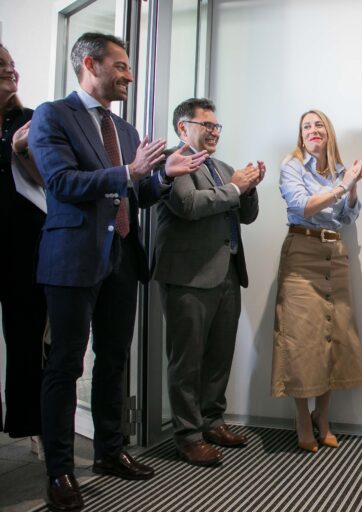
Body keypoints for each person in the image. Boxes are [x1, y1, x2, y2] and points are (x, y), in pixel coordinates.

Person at [28, 32, 201, 511]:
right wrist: (130, 172)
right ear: (90, 64)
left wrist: (163, 175)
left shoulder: (123, 130)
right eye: (121, 66)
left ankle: (109, 451)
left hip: (122, 256)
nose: (129, 75)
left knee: (115, 360)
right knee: (66, 365)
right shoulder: (52, 115)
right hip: (72, 259)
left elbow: (136, 194)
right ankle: (60, 470)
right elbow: (61, 183)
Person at [153, 98, 264, 466]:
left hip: (227, 272)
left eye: (217, 126)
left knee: (219, 355)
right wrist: (235, 188)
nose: (215, 132)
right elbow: (188, 206)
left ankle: (212, 421)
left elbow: (246, 216)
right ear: (183, 128)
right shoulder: (172, 161)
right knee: (187, 361)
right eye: (207, 125)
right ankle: (188, 436)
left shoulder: (222, 168)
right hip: (187, 276)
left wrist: (250, 187)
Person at [272, 109, 362, 452]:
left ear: (328, 132)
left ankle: (323, 417)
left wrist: (352, 187)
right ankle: (302, 418)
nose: (313, 130)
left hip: (335, 254)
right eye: (306, 126)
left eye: (318, 125)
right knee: (301, 339)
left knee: (333, 335)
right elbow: (303, 207)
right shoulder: (293, 165)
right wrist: (343, 186)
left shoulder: (340, 171)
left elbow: (346, 217)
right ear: (301, 136)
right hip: (302, 254)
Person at [0, 43, 47, 450]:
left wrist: (21, 149)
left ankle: (31, 424)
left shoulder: (30, 119)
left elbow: (48, 180)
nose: (11, 70)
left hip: (24, 242)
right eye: (1, 64)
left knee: (27, 338)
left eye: (13, 64)